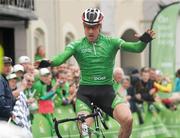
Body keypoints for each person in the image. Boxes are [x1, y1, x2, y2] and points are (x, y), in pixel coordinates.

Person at [51, 8, 155, 138]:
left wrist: (144, 40)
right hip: (85, 94)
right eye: (87, 27)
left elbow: (137, 48)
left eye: (94, 27)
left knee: (128, 120)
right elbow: (60, 59)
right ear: (84, 26)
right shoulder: (76, 45)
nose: (90, 31)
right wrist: (48, 62)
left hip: (107, 92)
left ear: (99, 26)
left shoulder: (111, 42)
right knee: (84, 129)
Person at [0, 56, 16, 121]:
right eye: (5, 65)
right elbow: (1, 99)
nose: (8, 68)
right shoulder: (0, 79)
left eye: (9, 65)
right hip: (2, 118)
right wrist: (9, 113)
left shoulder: (3, 78)